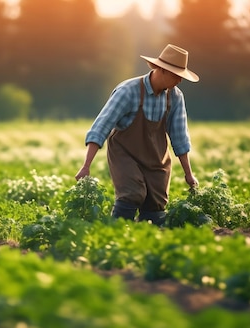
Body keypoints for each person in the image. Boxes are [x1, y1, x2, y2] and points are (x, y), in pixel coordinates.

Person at [75, 44, 199, 226]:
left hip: (157, 159)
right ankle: (115, 234)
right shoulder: (128, 91)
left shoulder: (175, 97)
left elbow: (179, 137)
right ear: (162, 70)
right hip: (125, 155)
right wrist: (86, 165)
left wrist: (189, 174)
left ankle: (145, 243)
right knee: (132, 194)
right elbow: (102, 126)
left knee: (156, 205)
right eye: (176, 76)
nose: (179, 81)